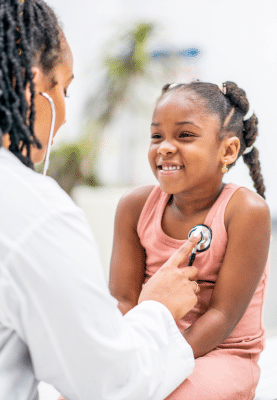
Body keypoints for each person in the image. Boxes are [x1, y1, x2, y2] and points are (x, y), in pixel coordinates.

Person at [0, 1, 200, 399]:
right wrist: (159, 311)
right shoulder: (22, 206)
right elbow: (108, 383)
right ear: (26, 87)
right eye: (62, 89)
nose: (64, 115)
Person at [109, 81, 271, 400]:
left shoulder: (246, 212)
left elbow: (222, 316)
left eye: (184, 135)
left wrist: (156, 365)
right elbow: (124, 301)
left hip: (222, 354)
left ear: (228, 150)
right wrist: (125, 360)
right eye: (157, 136)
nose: (164, 147)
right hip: (150, 344)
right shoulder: (134, 207)